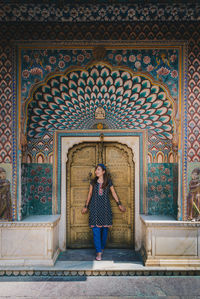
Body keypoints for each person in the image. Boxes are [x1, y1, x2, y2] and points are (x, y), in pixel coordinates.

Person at [81, 163, 126, 261]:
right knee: (96, 231)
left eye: (98, 170)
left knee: (104, 231)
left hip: (105, 209)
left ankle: (101, 248)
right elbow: (90, 194)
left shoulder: (108, 182)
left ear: (103, 172)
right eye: (96, 170)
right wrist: (86, 206)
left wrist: (119, 204)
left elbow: (113, 193)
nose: (96, 171)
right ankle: (99, 253)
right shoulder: (93, 182)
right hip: (95, 209)